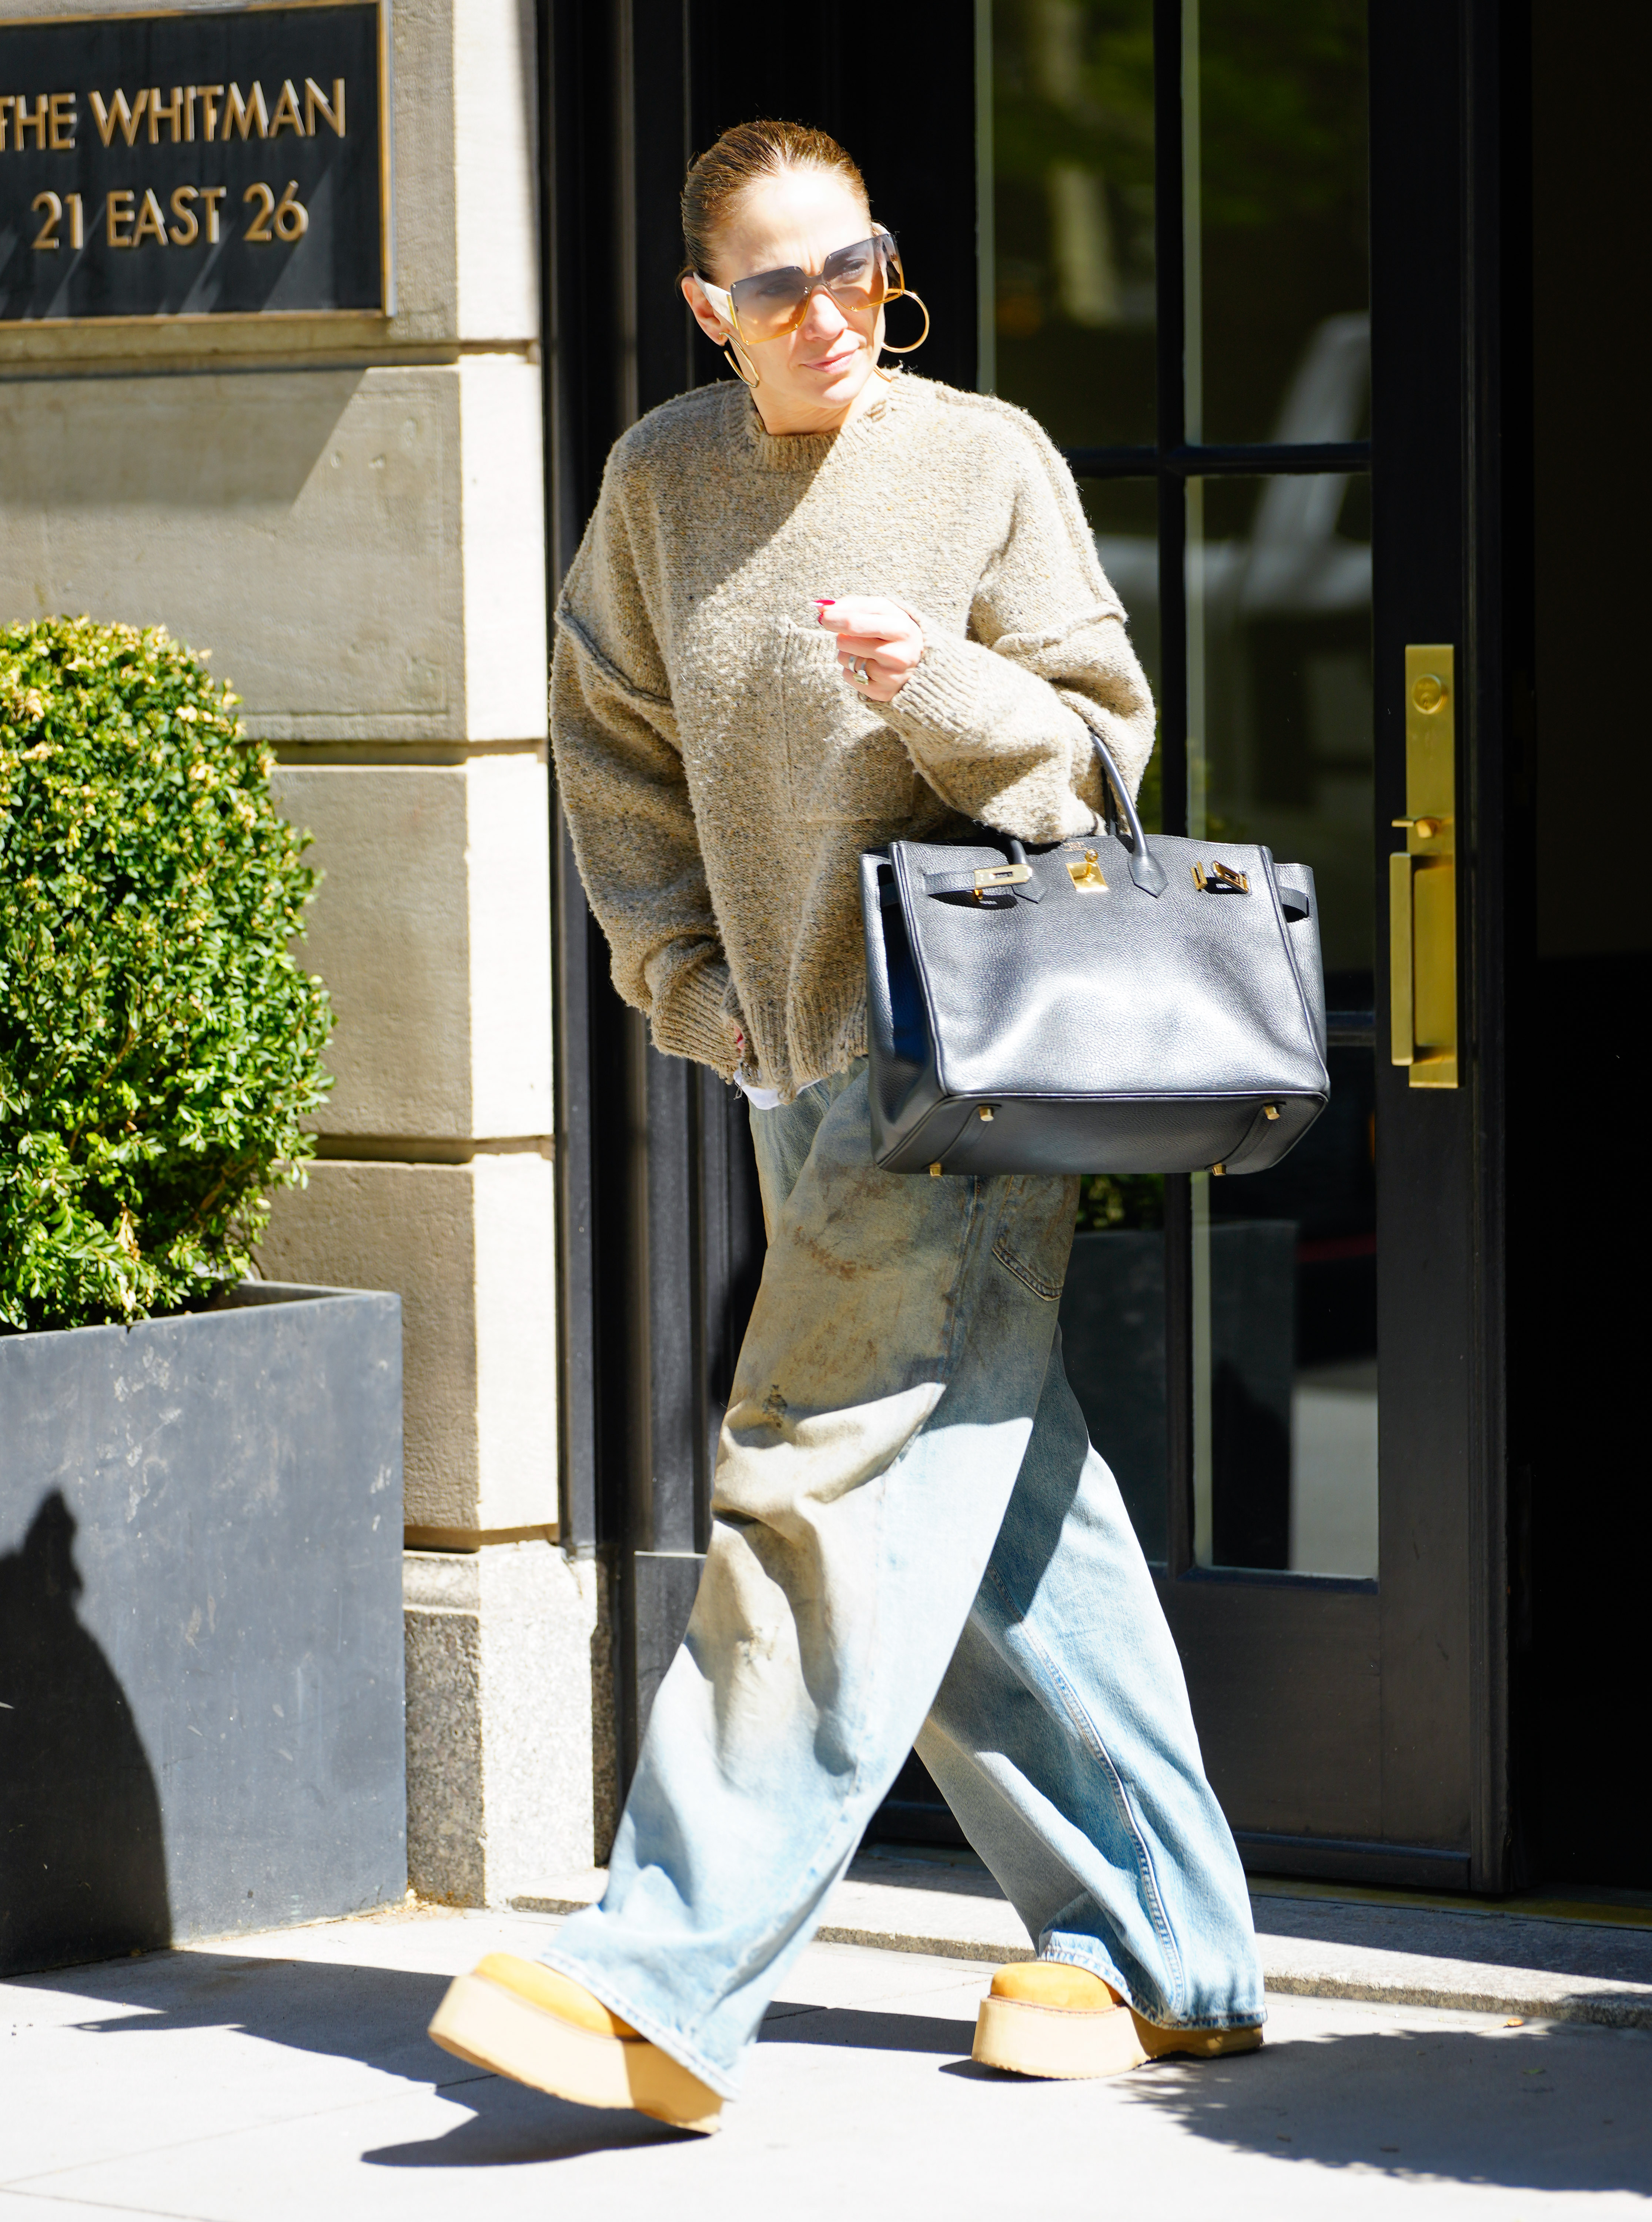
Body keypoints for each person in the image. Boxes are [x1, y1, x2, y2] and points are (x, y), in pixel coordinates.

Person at [429, 117, 1265, 2134]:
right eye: (783, 284)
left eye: (859, 268)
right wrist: (693, 999)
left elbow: (1097, 766)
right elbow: (616, 771)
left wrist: (943, 686)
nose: (834, 315)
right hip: (788, 1071)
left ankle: (659, 1971)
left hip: (963, 1068)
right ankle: (1173, 1951)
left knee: (811, 1471)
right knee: (983, 1521)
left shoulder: (982, 460)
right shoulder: (659, 484)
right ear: (709, 310)